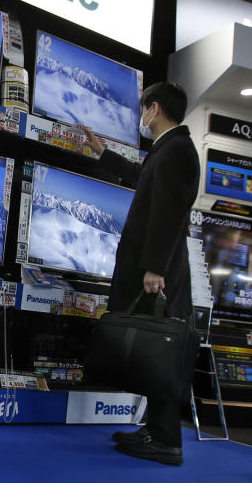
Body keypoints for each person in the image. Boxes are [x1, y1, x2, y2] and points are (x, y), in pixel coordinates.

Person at [81, 82, 199, 466]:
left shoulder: (178, 150)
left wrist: (154, 268)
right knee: (152, 351)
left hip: (158, 271)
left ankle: (166, 441)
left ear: (155, 108)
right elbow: (142, 177)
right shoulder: (168, 148)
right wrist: (104, 154)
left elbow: (168, 213)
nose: (141, 115)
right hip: (156, 267)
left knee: (160, 350)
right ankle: (155, 430)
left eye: (143, 108)